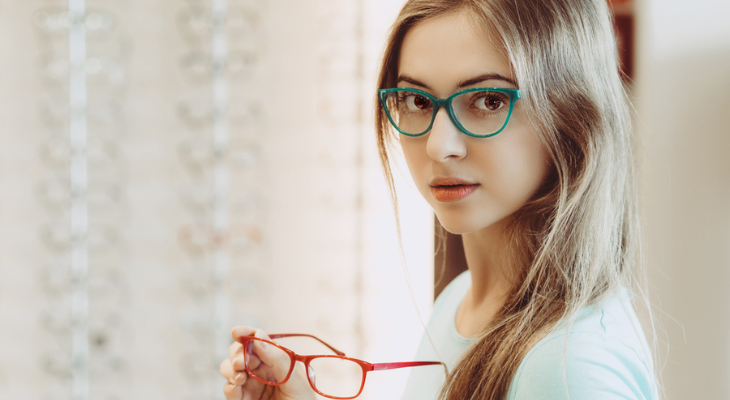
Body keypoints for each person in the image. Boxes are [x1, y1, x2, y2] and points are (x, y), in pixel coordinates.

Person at [219, 0, 660, 399]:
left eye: (488, 100)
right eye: (417, 99)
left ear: (571, 116)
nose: (438, 145)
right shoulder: (461, 301)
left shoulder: (568, 369)